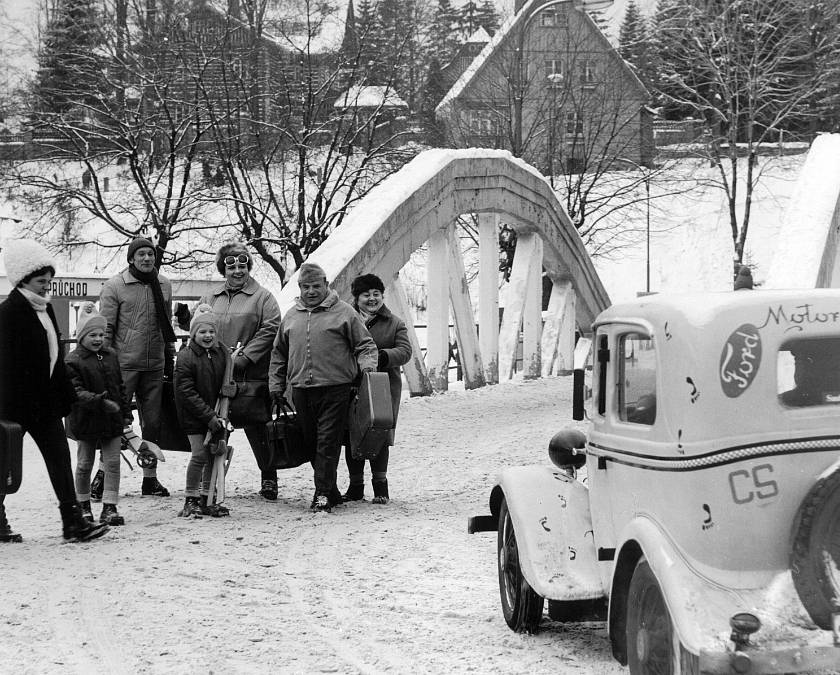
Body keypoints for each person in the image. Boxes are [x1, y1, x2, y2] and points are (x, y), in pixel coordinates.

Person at [0, 239, 109, 542]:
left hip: (45, 405)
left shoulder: (45, 309)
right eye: (40, 281)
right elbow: (6, 365)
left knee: (60, 459)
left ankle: (72, 523)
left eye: (48, 281)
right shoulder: (8, 313)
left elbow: (55, 356)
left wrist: (67, 398)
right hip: (15, 406)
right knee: (3, 464)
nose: (46, 286)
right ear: (22, 280)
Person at [268, 262, 378, 513]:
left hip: (336, 388)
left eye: (316, 286)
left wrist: (367, 368)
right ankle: (331, 490)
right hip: (301, 390)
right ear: (299, 288)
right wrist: (276, 386)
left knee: (327, 441)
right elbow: (279, 354)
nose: (310, 291)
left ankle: (321, 494)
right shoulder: (292, 315)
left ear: (326, 285)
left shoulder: (345, 312)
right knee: (310, 442)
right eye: (305, 287)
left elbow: (366, 345)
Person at [198, 243, 281, 501]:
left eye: (242, 266)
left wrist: (244, 357)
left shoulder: (263, 297)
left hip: (250, 373)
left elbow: (271, 328)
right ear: (223, 268)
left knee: (259, 426)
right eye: (231, 266)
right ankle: (210, 479)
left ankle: (269, 477)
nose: (237, 271)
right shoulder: (211, 297)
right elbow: (200, 325)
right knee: (214, 425)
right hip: (216, 371)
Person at [94, 236, 176, 498]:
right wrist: (104, 364)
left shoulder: (163, 284)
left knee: (152, 424)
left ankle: (149, 479)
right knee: (113, 422)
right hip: (123, 366)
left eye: (150, 254)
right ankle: (102, 476)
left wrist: (169, 356)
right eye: (140, 254)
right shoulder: (115, 286)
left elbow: (167, 323)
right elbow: (106, 328)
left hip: (154, 366)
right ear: (131, 258)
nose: (146, 259)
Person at [342, 274, 412, 505]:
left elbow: (405, 351)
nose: (372, 299)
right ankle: (355, 487)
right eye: (366, 295)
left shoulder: (395, 323)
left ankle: (380, 487)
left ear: (383, 295)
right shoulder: (345, 318)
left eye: (376, 294)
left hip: (383, 386)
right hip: (352, 384)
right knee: (353, 434)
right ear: (356, 298)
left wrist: (381, 356)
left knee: (380, 432)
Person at [65, 302, 132, 526]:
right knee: (85, 463)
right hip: (86, 420)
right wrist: (99, 402)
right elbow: (75, 392)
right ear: (82, 335)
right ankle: (82, 504)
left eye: (101, 335)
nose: (97, 339)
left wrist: (125, 413)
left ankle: (110, 506)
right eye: (92, 334)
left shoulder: (111, 355)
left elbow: (120, 386)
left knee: (112, 463)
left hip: (112, 419)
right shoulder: (73, 361)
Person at [173, 305, 229, 518]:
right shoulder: (186, 357)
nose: (208, 336)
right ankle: (191, 498)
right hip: (194, 417)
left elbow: (225, 381)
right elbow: (186, 392)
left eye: (212, 332)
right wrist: (208, 416)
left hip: (217, 414)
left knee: (214, 456)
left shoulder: (220, 354)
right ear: (194, 333)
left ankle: (207, 497)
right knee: (199, 455)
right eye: (203, 332)